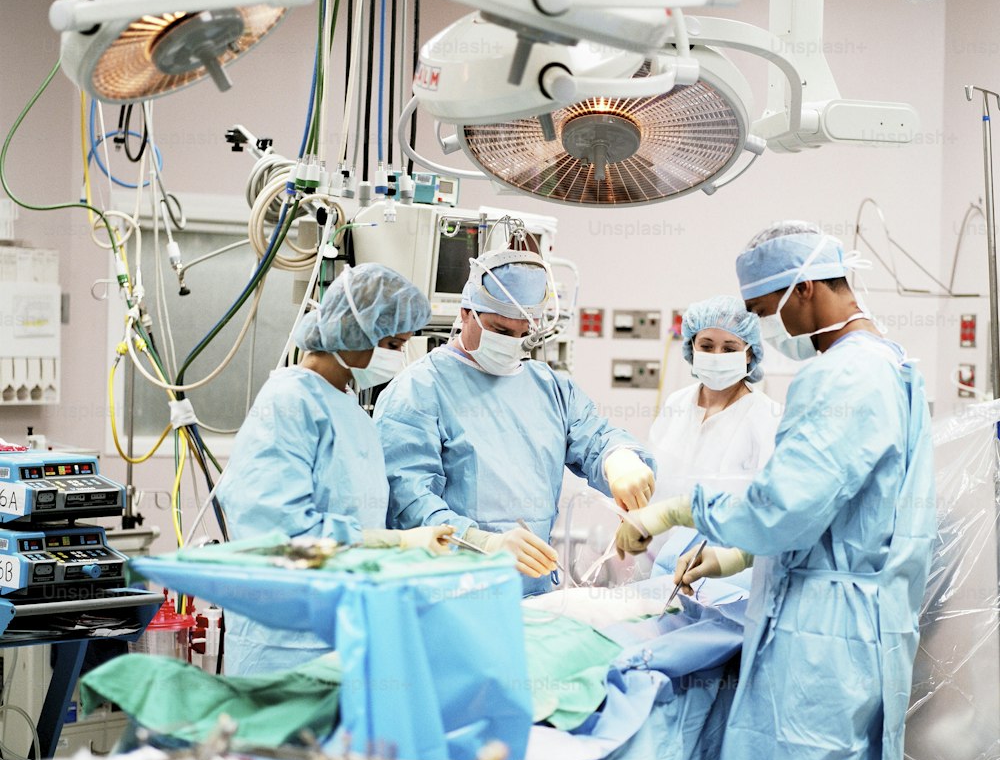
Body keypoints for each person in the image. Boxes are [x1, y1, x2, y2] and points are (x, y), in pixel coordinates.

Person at [615, 221, 936, 760]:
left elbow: (782, 508)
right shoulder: (892, 364)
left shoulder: (842, 375)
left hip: (825, 632)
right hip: (862, 615)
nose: (773, 330)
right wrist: (736, 557)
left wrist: (682, 511)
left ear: (806, 288)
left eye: (768, 311)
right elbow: (839, 501)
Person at [217, 263, 454, 676]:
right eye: (393, 344)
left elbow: (356, 518)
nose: (396, 358)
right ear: (353, 332)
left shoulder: (350, 409)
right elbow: (277, 535)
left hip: (344, 632)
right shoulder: (289, 404)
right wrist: (394, 545)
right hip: (285, 644)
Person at [374, 248, 657, 594]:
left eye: (522, 333)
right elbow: (409, 504)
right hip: (449, 593)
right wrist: (481, 544)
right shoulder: (418, 391)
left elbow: (596, 436)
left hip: (532, 592)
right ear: (466, 313)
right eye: (500, 330)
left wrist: (619, 459)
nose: (512, 343)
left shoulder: (548, 386)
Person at [649, 294, 782, 503]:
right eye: (706, 346)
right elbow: (652, 473)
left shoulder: (768, 417)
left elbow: (767, 503)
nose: (716, 356)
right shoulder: (676, 403)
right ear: (692, 347)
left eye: (729, 349)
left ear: (749, 353)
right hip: (661, 535)